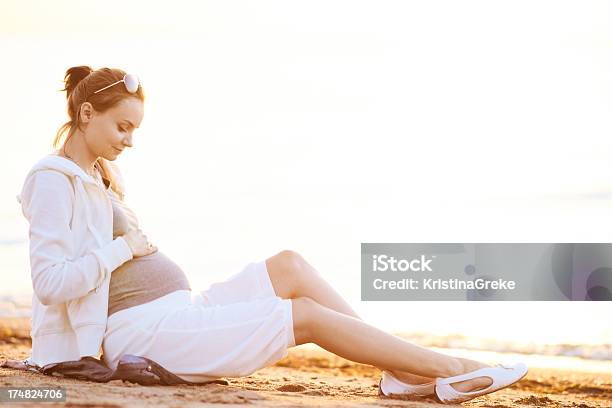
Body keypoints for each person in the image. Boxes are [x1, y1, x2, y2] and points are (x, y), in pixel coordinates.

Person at [16, 65, 528, 404]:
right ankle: (452, 369)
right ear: (86, 115)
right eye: (122, 127)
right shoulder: (51, 180)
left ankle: (400, 371)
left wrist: (129, 249)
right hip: (140, 334)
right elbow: (51, 283)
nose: (130, 140)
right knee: (302, 317)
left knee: (290, 265)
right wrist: (123, 247)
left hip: (178, 311)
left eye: (135, 129)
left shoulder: (102, 176)